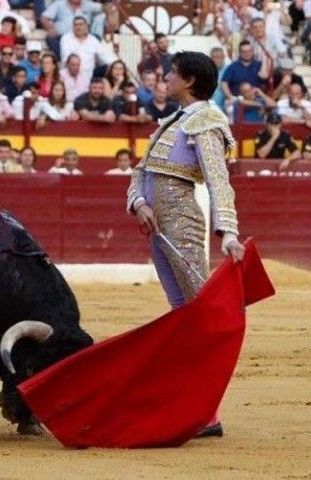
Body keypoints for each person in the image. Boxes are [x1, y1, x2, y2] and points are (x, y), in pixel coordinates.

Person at [127, 52, 245, 439]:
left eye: (173, 72)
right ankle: (192, 404)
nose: (166, 76)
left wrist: (228, 230)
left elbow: (218, 179)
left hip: (182, 225)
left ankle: (207, 413)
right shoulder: (173, 122)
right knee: (182, 313)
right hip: (157, 227)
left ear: (189, 80)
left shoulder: (207, 121)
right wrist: (139, 203)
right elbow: (140, 172)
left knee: (199, 316)